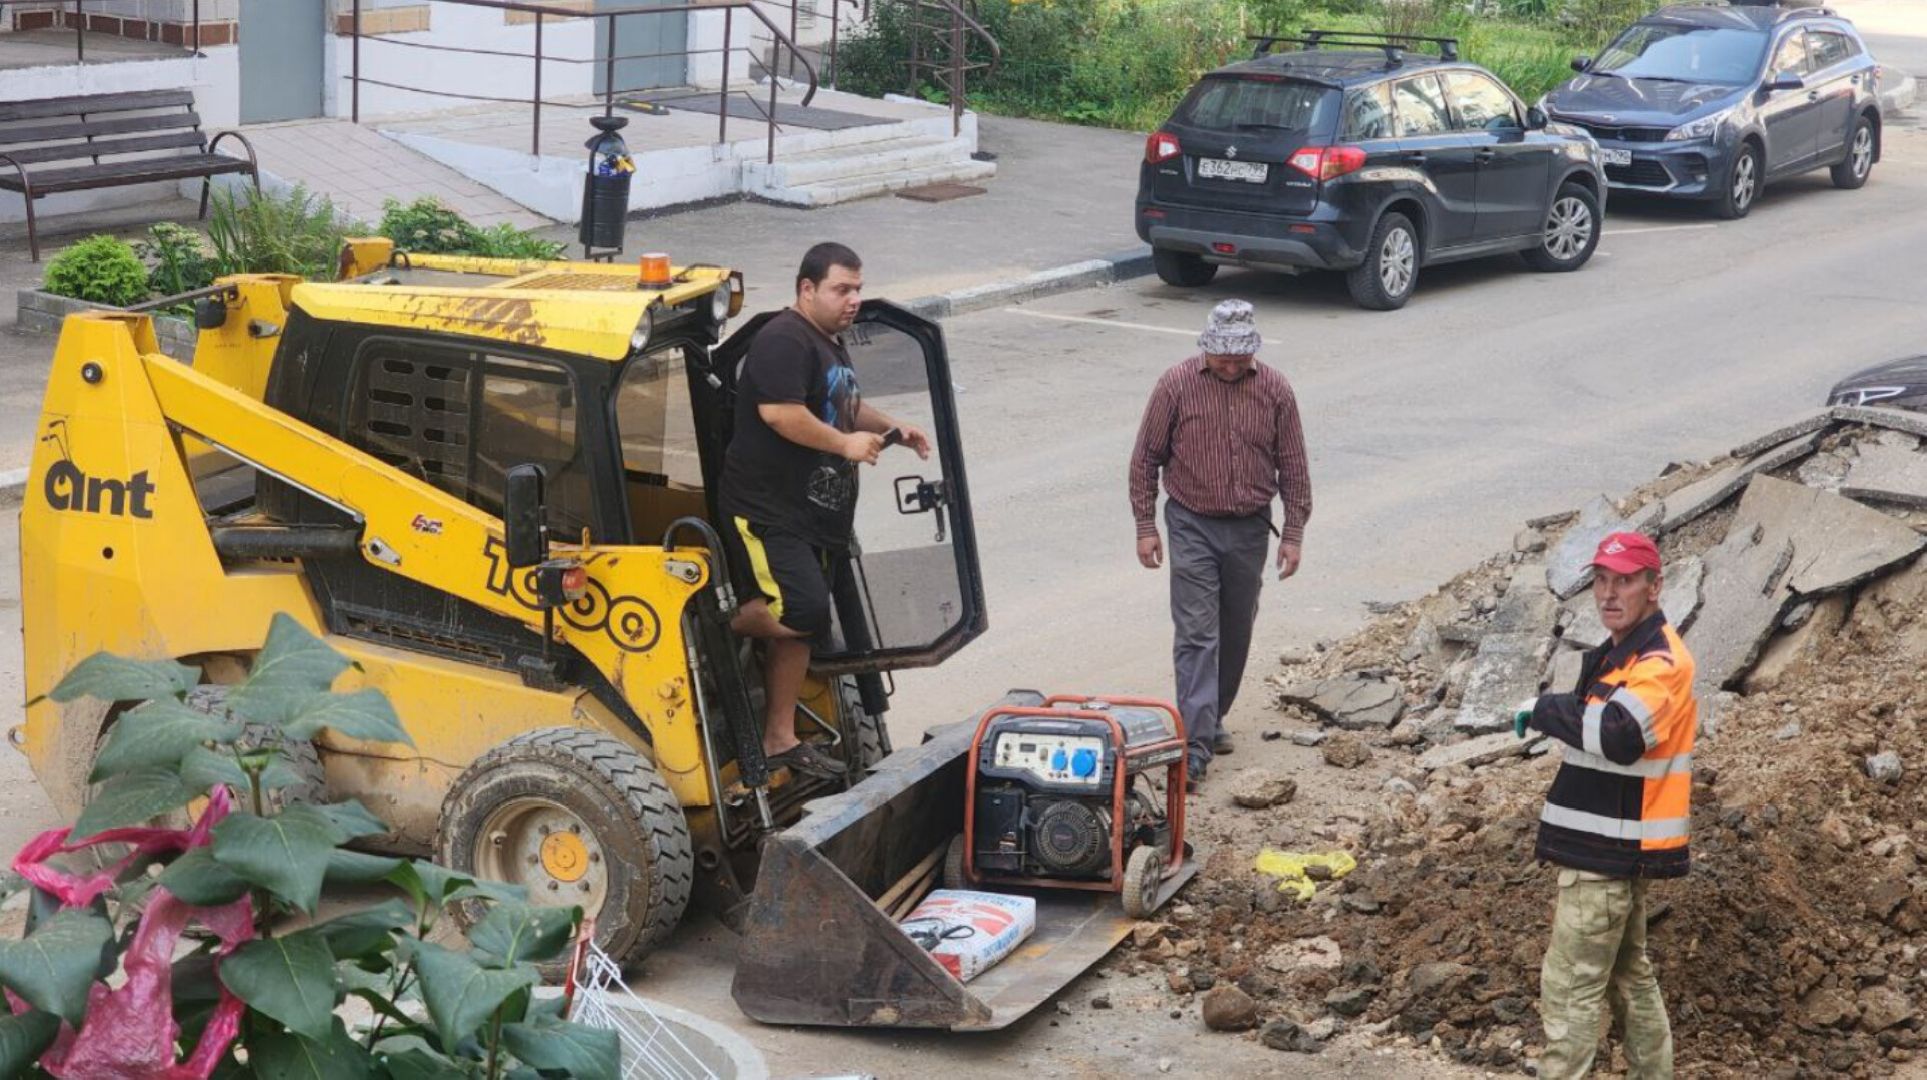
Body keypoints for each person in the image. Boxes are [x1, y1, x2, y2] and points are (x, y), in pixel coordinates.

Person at [718, 242, 929, 780]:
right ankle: (711, 627)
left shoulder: (826, 341)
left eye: (858, 289)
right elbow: (780, 413)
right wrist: (843, 445)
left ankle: (779, 738)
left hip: (814, 516)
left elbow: (843, 404)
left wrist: (891, 430)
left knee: (805, 630)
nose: (854, 299)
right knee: (801, 611)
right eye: (842, 289)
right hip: (769, 510)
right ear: (807, 289)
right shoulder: (784, 339)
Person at [1514, 531, 1695, 1078]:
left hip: (1605, 857)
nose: (1609, 593)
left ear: (1654, 586)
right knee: (1627, 978)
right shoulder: (1625, 654)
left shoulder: (1659, 662)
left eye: (1624, 581)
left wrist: (1547, 709)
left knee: (1569, 988)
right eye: (1600, 581)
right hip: (1610, 849)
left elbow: (1618, 734)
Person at [1128, 299, 1311, 793]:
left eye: (1238, 360)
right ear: (1205, 349)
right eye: (1221, 359)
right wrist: (1146, 525)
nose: (1230, 368)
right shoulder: (1176, 385)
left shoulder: (1274, 389)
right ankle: (1193, 749)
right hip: (1190, 522)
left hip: (1249, 526)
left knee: (1235, 629)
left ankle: (1211, 718)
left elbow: (1293, 465)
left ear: (1252, 352)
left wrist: (1293, 533)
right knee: (1196, 634)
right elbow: (1145, 457)